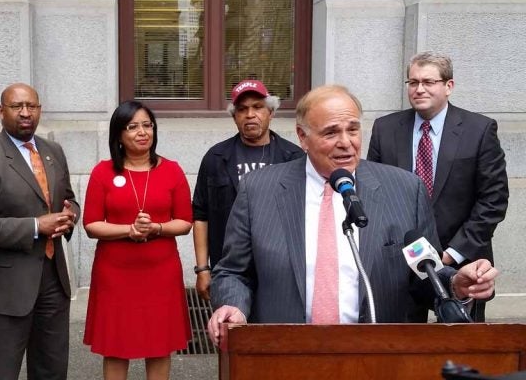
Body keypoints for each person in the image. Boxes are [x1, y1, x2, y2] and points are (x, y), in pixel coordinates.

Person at [207, 85, 498, 345]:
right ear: (302, 137)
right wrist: (233, 306)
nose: (346, 142)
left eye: (353, 129)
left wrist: (455, 284)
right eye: (331, 132)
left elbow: (424, 274)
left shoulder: (405, 190)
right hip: (285, 354)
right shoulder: (259, 190)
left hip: (377, 357)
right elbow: (233, 271)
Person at [367, 51, 508, 321]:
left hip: (463, 263)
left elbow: (493, 200)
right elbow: (374, 192)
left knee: (458, 349)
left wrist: (451, 255)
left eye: (429, 82)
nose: (419, 89)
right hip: (401, 262)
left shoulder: (479, 129)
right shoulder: (385, 129)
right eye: (413, 82)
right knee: (402, 346)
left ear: (448, 86)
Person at [0, 82, 80, 380]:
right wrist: (36, 226)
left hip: (53, 280)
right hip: (4, 290)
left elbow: (67, 197)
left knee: (51, 371)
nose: (26, 113)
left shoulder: (53, 151)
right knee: (0, 373)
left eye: (32, 106)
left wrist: (70, 214)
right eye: (17, 107)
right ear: (1, 112)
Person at [83, 100, 193, 380]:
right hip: (115, 272)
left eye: (148, 125)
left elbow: (185, 222)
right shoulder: (103, 172)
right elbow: (91, 224)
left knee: (159, 344)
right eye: (132, 127)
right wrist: (128, 230)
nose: (142, 132)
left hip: (160, 271)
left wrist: (156, 227)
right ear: (119, 134)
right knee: (116, 346)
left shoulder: (172, 170)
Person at [192, 79, 304, 300]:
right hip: (230, 268)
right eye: (242, 109)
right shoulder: (216, 158)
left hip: (281, 268)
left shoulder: (293, 158)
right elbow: (200, 216)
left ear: (271, 113)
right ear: (235, 117)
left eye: (257, 107)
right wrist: (203, 269)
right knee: (231, 329)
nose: (250, 114)